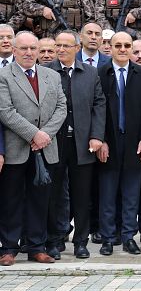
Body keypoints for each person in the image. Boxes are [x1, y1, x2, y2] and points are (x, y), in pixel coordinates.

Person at [0, 31, 67, 266]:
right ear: (15, 51)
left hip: (46, 147)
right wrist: (34, 134)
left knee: (41, 199)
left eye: (33, 49)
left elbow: (61, 108)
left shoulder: (52, 76)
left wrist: (45, 135)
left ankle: (37, 247)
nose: (29, 53)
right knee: (12, 199)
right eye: (23, 48)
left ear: (38, 51)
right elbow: (5, 111)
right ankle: (9, 247)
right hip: (16, 148)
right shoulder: (3, 75)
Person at [45, 31, 106, 260]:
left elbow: (99, 104)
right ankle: (54, 240)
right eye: (58, 45)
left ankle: (81, 241)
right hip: (54, 143)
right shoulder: (46, 71)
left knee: (82, 196)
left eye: (66, 46)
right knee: (53, 194)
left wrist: (96, 135)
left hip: (82, 144)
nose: (61, 49)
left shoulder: (90, 73)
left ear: (77, 47)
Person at [96, 32, 141, 256]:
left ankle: (129, 236)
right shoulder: (101, 73)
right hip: (108, 143)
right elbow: (97, 108)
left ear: (131, 49)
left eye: (126, 45)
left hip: (134, 142)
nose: (122, 49)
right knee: (108, 194)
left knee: (132, 194)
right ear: (109, 47)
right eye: (117, 45)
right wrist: (100, 139)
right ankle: (108, 238)